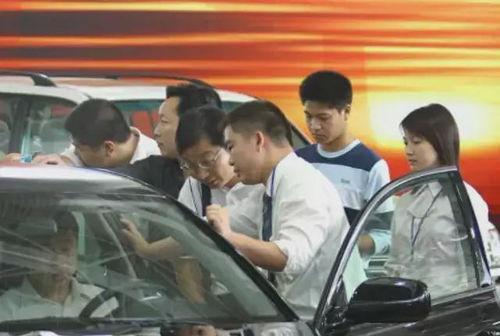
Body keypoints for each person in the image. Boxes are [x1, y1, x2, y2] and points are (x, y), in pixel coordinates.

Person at [205, 100, 362, 316]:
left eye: (231, 147)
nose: (230, 161)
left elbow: (288, 258)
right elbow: (220, 225)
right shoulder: (268, 187)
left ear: (258, 140)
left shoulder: (303, 184)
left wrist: (229, 238)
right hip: (296, 317)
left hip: (326, 322)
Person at [385, 103, 499, 296]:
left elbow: (484, 266)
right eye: (406, 143)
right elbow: (395, 263)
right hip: (406, 305)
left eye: (417, 142)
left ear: (439, 143)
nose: (409, 150)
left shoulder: (464, 199)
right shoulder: (405, 200)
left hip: (451, 306)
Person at [121, 106, 263, 259]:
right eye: (190, 165)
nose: (201, 174)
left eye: (207, 161)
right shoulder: (195, 188)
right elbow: (188, 237)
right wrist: (147, 251)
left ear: (229, 147)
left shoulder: (260, 185)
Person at [296, 70, 391, 256]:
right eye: (308, 116)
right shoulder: (298, 161)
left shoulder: (371, 167)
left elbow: (385, 235)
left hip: (344, 273)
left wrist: (338, 247)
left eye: (323, 118)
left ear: (346, 112)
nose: (314, 126)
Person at [0, 211, 117, 320]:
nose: (58, 262)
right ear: (26, 256)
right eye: (47, 252)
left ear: (76, 252)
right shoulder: (7, 310)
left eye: (65, 250)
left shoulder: (103, 300)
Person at [33, 99, 159, 168]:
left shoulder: (157, 163)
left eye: (79, 148)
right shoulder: (90, 144)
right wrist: (60, 164)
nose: (75, 152)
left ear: (108, 148)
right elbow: (69, 160)